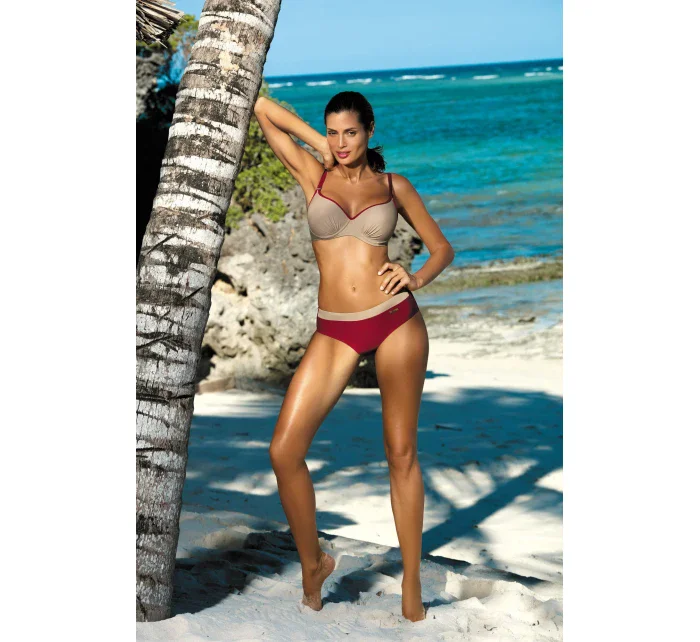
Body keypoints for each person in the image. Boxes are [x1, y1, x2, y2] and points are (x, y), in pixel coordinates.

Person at [253, 91, 454, 622]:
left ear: (369, 131)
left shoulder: (393, 187)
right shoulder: (314, 174)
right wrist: (319, 144)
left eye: (350, 132)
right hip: (335, 330)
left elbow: (442, 249)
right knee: (284, 451)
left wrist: (415, 277)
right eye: (333, 132)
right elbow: (262, 110)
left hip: (396, 321)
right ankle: (314, 563)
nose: (341, 143)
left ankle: (412, 584)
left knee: (401, 453)